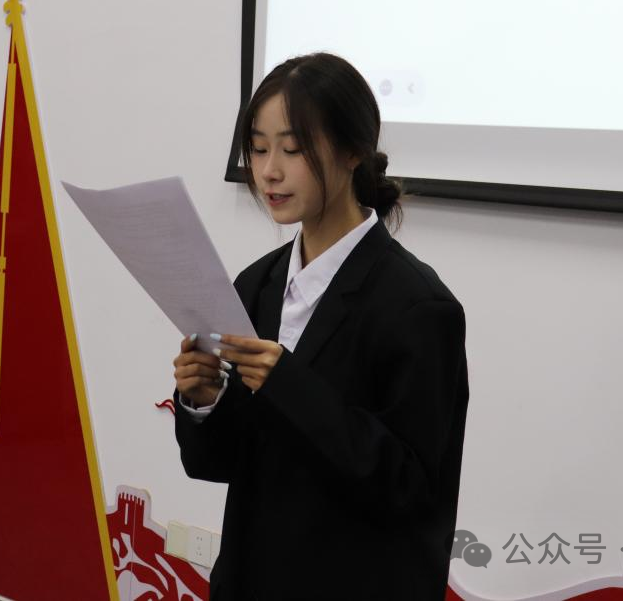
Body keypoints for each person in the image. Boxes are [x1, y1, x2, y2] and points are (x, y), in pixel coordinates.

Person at [171, 52, 469, 600]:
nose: (269, 171)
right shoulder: (254, 285)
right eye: (259, 148)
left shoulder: (419, 307)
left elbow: (409, 490)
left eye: (292, 149)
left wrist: (288, 385)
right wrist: (204, 401)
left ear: (354, 151)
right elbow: (217, 463)